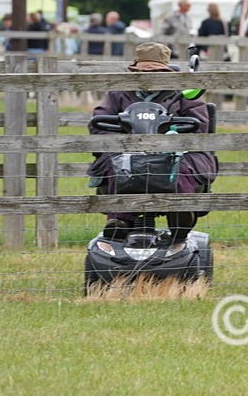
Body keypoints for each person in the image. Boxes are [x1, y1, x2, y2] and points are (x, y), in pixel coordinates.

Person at [86, 42, 218, 244]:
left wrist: (173, 133)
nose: (149, 76)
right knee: (116, 163)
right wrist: (120, 138)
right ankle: (120, 220)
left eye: (156, 72)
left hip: (175, 151)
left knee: (181, 166)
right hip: (127, 149)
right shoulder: (118, 92)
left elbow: (199, 125)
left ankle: (180, 215)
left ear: (166, 71)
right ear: (135, 71)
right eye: (144, 72)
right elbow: (99, 121)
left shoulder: (182, 93)